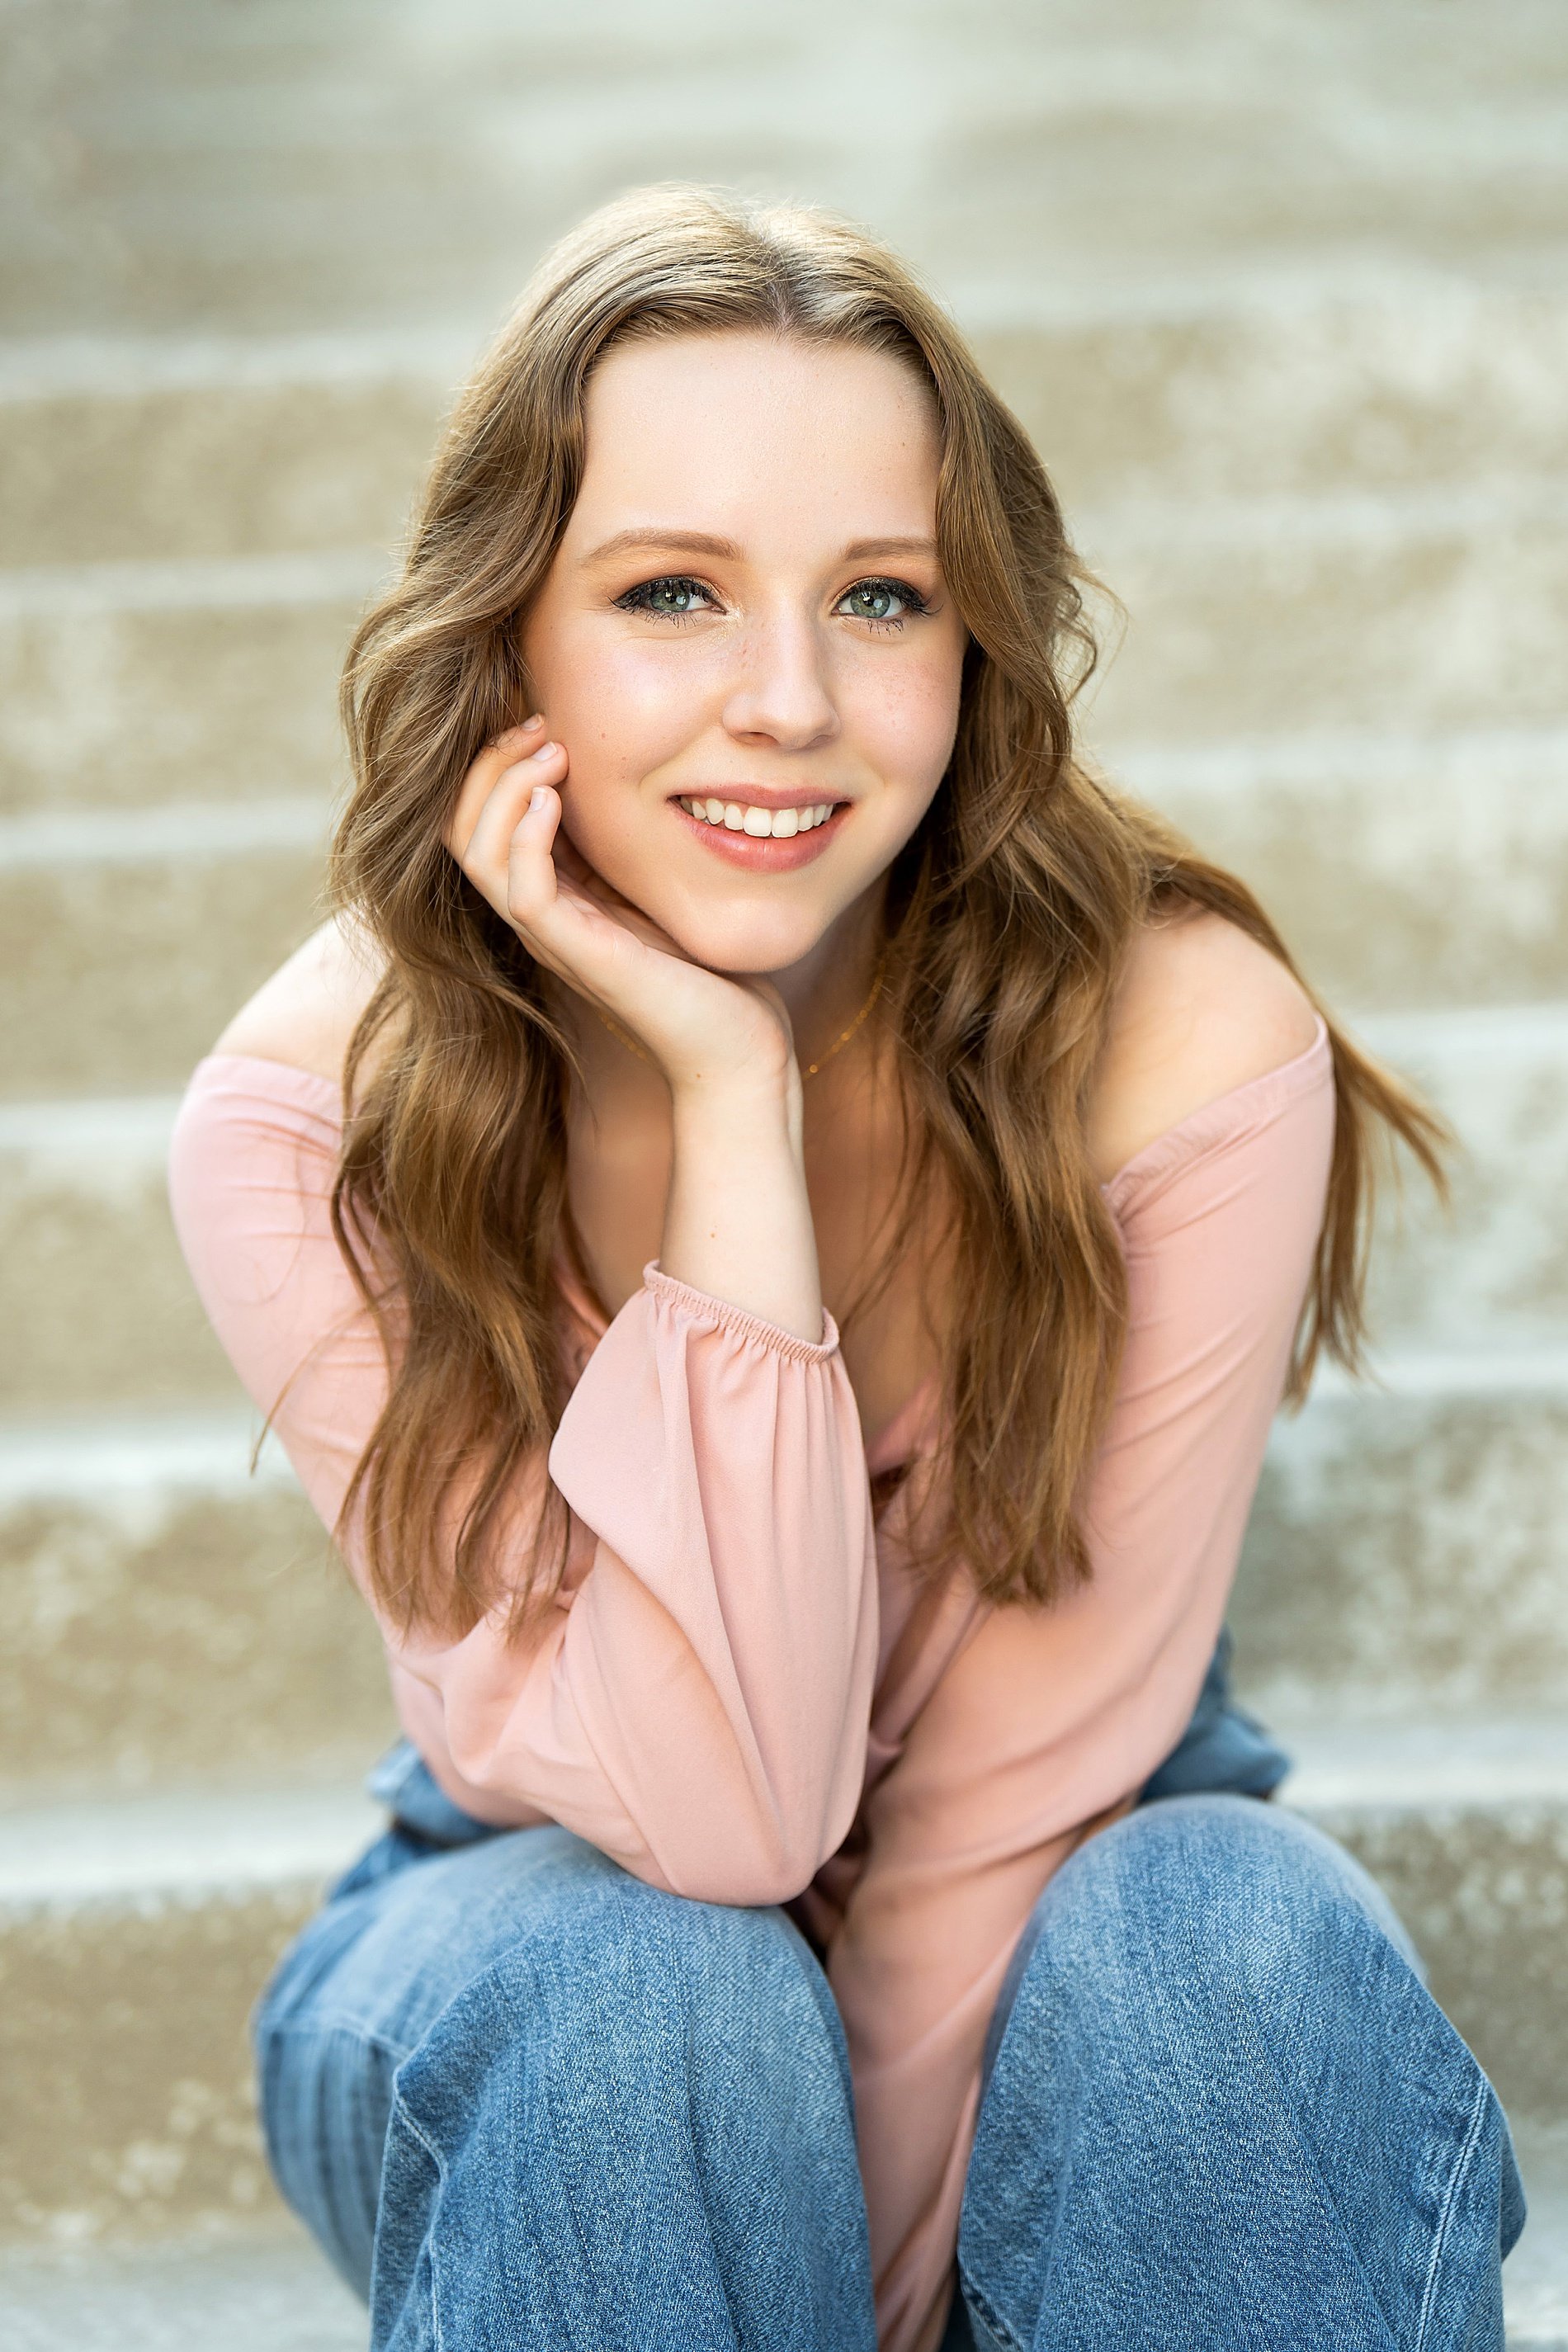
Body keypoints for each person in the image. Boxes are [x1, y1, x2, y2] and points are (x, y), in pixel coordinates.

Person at [168, 186, 1523, 2352]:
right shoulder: (311, 1119)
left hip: (1072, 1905)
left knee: (1217, 1942)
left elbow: (1000, 1813)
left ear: (974, 640)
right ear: (508, 629)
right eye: (670, 592)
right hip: (547, 1983)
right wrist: (731, 1101)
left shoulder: (1174, 1041)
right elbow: (728, 1811)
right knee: (653, 1994)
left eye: (878, 595)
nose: (787, 699)